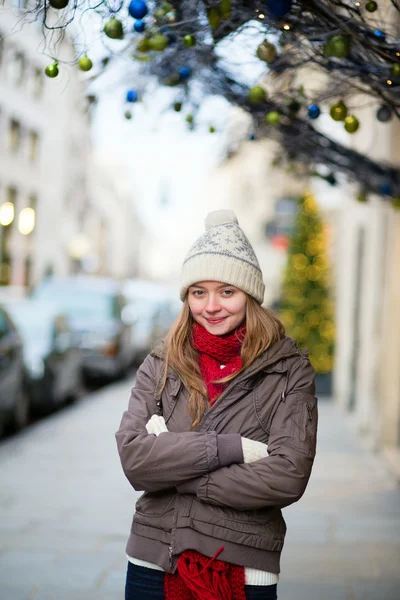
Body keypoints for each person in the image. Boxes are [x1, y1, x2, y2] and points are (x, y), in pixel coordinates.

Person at [116, 209, 318, 600]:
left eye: (227, 291)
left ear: (250, 295)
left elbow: (288, 475)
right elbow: (134, 459)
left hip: (246, 565)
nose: (211, 306)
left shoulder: (289, 370)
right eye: (198, 292)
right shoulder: (161, 364)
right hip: (155, 556)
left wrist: (177, 472)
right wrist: (231, 449)